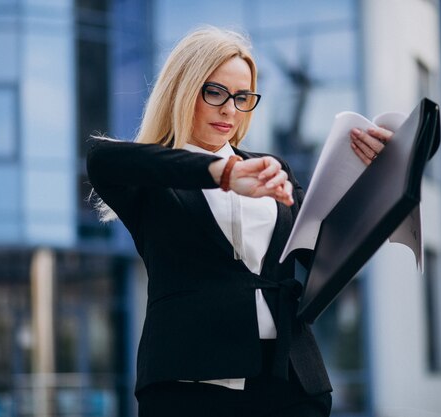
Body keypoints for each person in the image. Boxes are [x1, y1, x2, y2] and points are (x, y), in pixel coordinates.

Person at [86, 26, 391, 417]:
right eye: (215, 92)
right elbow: (101, 157)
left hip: (292, 384)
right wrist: (223, 173)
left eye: (242, 97)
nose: (230, 109)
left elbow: (325, 253)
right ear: (183, 89)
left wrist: (369, 176)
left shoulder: (273, 168)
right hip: (189, 386)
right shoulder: (151, 180)